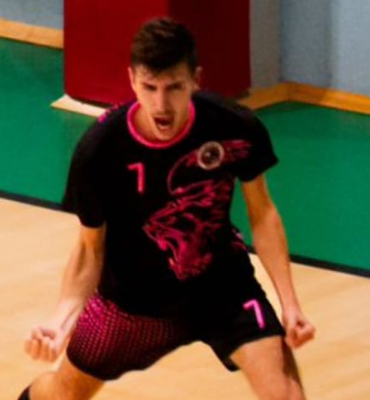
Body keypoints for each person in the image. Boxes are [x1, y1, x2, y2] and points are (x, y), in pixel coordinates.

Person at [18, 17, 315, 400]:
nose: (161, 104)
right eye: (150, 87)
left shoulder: (232, 127)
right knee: (63, 393)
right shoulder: (101, 151)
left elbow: (263, 214)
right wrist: (61, 321)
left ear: (195, 79)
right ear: (131, 80)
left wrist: (290, 304)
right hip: (132, 304)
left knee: (285, 393)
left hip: (222, 288)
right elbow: (90, 249)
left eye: (174, 87)